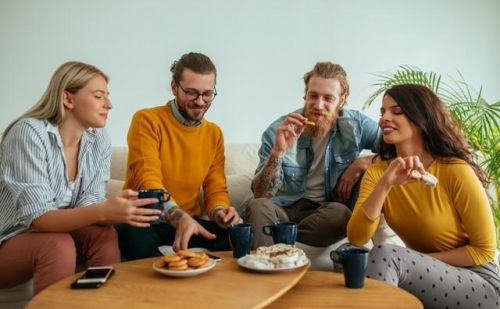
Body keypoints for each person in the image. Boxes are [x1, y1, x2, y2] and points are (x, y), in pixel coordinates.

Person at [0, 61, 161, 294]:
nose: (109, 104)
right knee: (58, 245)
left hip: (49, 234)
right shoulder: (28, 133)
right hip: (9, 238)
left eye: (107, 96)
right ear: (68, 99)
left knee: (103, 234)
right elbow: (39, 218)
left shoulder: (98, 139)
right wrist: (104, 211)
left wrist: (122, 211)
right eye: (99, 96)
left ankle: (101, 303)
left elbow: (89, 202)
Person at [347, 84, 500, 308]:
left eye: (396, 111)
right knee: (353, 259)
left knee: (386, 255)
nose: (384, 118)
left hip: (479, 281)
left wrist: (414, 263)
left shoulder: (455, 171)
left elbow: (484, 250)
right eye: (382, 112)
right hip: (425, 275)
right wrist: (385, 185)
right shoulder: (378, 174)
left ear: (421, 118)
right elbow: (357, 238)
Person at [117, 52, 242, 260]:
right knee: (132, 236)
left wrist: (220, 212)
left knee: (235, 235)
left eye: (208, 94)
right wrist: (179, 217)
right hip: (144, 220)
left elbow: (216, 188)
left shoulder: (214, 133)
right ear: (174, 87)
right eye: (191, 93)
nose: (200, 102)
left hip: (189, 221)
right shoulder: (146, 120)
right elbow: (148, 181)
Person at [247, 62, 380, 248]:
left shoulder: (356, 125)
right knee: (257, 206)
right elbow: (261, 193)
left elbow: (398, 149)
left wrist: (364, 162)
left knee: (341, 214)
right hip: (284, 209)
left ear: (343, 99)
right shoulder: (279, 129)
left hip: (324, 213)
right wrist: (278, 152)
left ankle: (281, 240)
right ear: (305, 94)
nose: (318, 105)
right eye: (313, 96)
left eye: (328, 98)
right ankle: (275, 262)